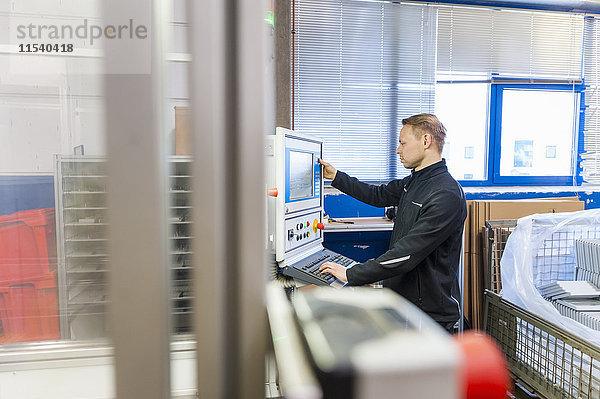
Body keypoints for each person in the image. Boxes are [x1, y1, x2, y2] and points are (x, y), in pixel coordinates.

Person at [318, 113, 467, 333]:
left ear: (426, 141)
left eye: (402, 143)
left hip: (430, 315)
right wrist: (336, 176)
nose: (398, 150)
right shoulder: (415, 181)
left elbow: (406, 255)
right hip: (406, 304)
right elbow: (377, 195)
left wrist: (351, 274)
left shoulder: (445, 194)